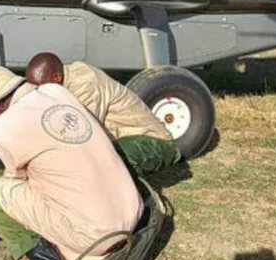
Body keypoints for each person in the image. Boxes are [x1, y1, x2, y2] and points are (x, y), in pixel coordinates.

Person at [0, 67, 144, 260]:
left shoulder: (2, 128)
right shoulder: (57, 91)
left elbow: (17, 178)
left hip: (96, 236)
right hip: (133, 210)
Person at [24, 53, 182, 175]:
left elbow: (81, 136)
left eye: (40, 87)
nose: (37, 92)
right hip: (122, 139)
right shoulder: (63, 81)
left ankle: (141, 199)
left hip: (152, 141)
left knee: (98, 165)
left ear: (57, 77)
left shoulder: (84, 85)